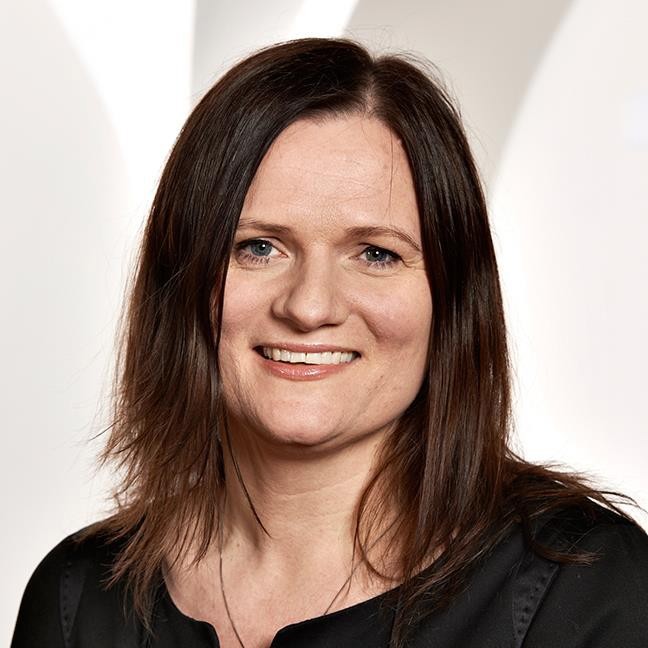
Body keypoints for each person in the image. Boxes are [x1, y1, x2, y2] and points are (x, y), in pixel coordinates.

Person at [11, 37, 648, 648]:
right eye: (258, 247)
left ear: (452, 298)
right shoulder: (77, 599)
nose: (309, 307)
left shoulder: (588, 590)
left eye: (375, 253)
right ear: (180, 281)